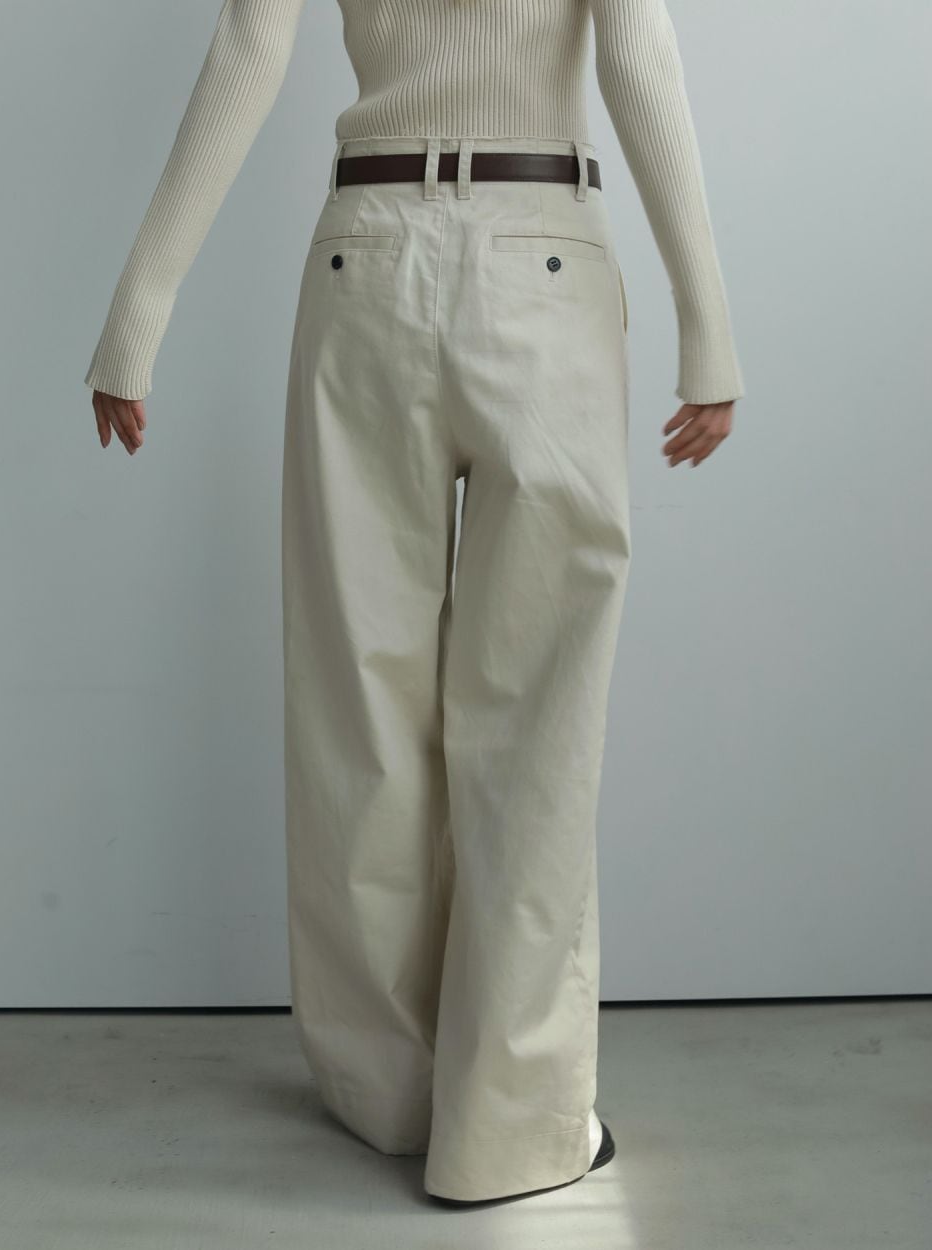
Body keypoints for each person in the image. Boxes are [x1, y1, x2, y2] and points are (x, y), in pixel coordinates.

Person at [84, 0, 744, 1206]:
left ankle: (384, 1091)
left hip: (365, 257)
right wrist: (707, 320)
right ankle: (512, 1128)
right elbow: (636, 45)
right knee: (534, 725)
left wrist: (141, 307)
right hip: (544, 258)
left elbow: (250, 43)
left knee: (360, 709)